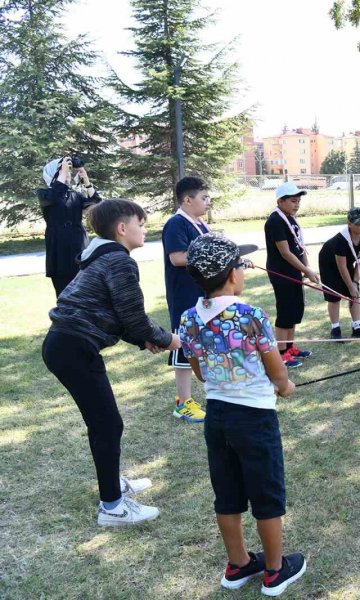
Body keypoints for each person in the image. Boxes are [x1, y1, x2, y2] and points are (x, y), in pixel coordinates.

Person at [179, 233, 306, 596]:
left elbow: (200, 372)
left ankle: (237, 564)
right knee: (266, 493)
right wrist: (285, 386)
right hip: (254, 419)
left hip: (217, 417)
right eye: (240, 264)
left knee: (228, 492)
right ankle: (274, 571)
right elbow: (275, 367)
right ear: (232, 274)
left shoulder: (188, 319)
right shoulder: (250, 315)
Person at [42, 199, 179, 526]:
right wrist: (167, 339)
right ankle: (112, 508)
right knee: (107, 424)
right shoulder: (118, 261)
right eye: (141, 223)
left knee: (104, 422)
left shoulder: (103, 256)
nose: (144, 228)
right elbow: (134, 319)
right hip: (74, 348)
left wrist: (144, 338)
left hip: (68, 346)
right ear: (122, 228)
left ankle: (111, 485)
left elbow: (118, 317)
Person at [162, 176, 212, 423]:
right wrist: (212, 257)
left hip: (203, 294)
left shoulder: (199, 223)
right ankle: (183, 403)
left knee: (204, 343)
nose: (208, 202)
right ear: (187, 199)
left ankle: (206, 396)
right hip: (185, 296)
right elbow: (178, 258)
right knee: (184, 346)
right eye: (204, 198)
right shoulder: (176, 224)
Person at [264, 183, 320, 368]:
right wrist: (307, 271)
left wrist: (307, 268)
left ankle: (289, 347)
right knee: (285, 312)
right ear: (280, 201)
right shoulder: (275, 221)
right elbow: (286, 252)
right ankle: (281, 354)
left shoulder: (290, 219)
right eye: (293, 201)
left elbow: (300, 247)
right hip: (281, 273)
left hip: (295, 271)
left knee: (296, 309)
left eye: (299, 201)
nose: (297, 205)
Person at [37, 155, 102, 297]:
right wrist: (63, 172)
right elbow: (55, 196)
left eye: (68, 171)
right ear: (53, 173)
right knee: (65, 294)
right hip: (59, 249)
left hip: (79, 246)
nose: (67, 174)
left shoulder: (75, 196)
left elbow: (97, 204)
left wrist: (86, 181)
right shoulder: (44, 194)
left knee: (85, 292)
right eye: (62, 170)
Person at [318, 207, 360, 340]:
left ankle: (357, 327)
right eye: (358, 223)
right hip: (329, 264)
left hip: (347, 263)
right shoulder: (340, 241)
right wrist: (349, 286)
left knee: (355, 293)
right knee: (334, 296)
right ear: (349, 224)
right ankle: (335, 329)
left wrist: (355, 282)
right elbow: (341, 266)